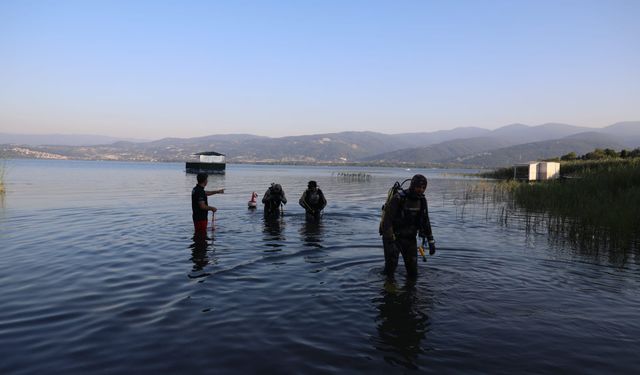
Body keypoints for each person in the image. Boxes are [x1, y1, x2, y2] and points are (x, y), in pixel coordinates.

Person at [380, 174, 436, 280]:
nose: (421, 190)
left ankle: (410, 292)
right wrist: (390, 240)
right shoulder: (399, 198)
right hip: (393, 238)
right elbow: (387, 221)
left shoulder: (422, 201)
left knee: (413, 271)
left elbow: (425, 221)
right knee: (390, 268)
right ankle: (388, 291)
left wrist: (431, 241)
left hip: (410, 238)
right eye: (419, 187)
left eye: (424, 187)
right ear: (412, 185)